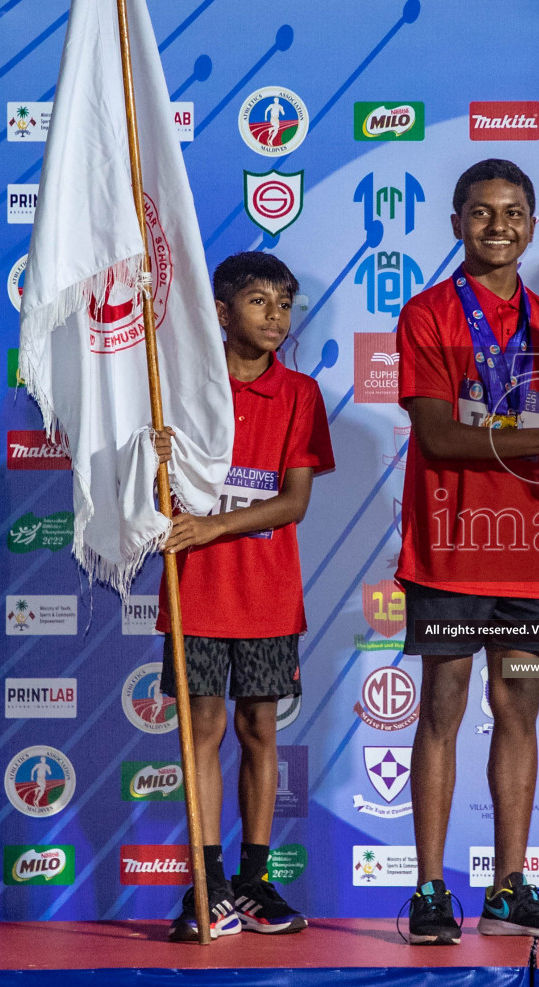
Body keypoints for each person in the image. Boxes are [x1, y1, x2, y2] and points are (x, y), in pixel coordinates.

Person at [395, 158, 539, 945]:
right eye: (480, 212)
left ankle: (509, 889)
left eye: (513, 212)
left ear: (533, 225)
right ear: (456, 223)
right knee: (442, 710)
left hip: (524, 547)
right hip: (450, 548)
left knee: (519, 712)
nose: (497, 225)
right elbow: (441, 434)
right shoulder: (427, 315)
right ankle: (428, 890)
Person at [153, 250, 335, 942]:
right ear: (221, 312)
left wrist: (215, 523)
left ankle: (255, 883)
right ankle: (208, 884)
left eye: (285, 304)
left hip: (266, 596)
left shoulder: (300, 395)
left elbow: (291, 504)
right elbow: (154, 502)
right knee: (201, 732)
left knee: (261, 730)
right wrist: (157, 462)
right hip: (195, 593)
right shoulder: (180, 390)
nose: (276, 317)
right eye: (259, 302)